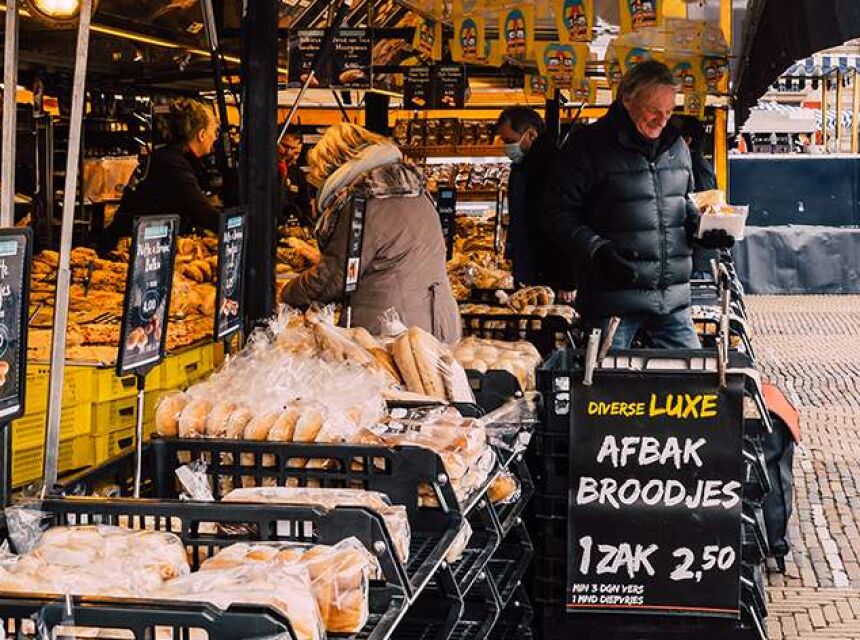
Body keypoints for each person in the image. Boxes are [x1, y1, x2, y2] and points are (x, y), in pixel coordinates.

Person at [542, 60, 732, 349]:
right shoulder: (588, 146)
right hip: (611, 301)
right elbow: (556, 213)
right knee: (606, 387)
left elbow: (685, 206)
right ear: (627, 100)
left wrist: (705, 231)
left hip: (672, 301)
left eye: (669, 111)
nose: (662, 119)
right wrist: (597, 250)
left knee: (691, 383)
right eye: (654, 110)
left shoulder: (677, 147)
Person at [279, 123, 461, 343]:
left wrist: (286, 293)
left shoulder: (364, 202)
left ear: (336, 163)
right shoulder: (415, 191)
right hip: (437, 320)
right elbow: (385, 256)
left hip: (393, 330)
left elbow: (334, 278)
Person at [99, 98, 220, 254]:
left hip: (143, 244)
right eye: (213, 132)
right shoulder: (173, 165)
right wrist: (235, 227)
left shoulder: (169, 157)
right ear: (201, 134)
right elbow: (202, 212)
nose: (215, 138)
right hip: (128, 250)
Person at [495, 106, 564, 289]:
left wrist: (565, 277)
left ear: (531, 134)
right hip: (529, 269)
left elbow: (562, 224)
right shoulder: (521, 167)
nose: (507, 147)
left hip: (549, 274)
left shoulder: (553, 167)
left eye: (510, 140)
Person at [671, 115, 719, 277]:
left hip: (697, 263)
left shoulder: (697, 169)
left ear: (687, 141)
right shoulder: (690, 167)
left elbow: (708, 215)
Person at [278, 132, 313, 227]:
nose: (288, 153)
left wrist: (307, 231)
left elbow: (305, 206)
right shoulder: (260, 173)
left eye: (295, 151)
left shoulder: (298, 174)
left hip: (292, 229)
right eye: (285, 146)